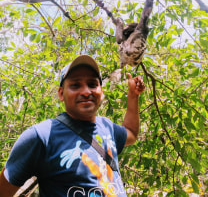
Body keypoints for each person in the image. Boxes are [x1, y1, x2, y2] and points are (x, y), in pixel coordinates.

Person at [0, 54, 145, 197]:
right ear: (61, 94)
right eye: (75, 85)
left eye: (92, 84)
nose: (86, 92)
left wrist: (133, 96)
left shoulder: (107, 126)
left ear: (101, 90)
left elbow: (131, 133)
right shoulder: (41, 136)